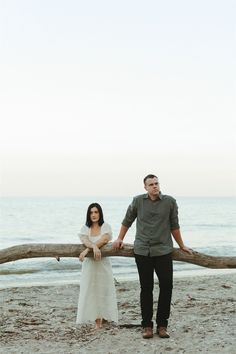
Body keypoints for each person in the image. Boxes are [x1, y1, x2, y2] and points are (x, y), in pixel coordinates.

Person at [112, 174, 192, 339]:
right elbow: (127, 221)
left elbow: (174, 226)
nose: (155, 186)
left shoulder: (170, 202)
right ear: (145, 187)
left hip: (163, 251)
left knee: (167, 287)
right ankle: (147, 326)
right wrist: (120, 238)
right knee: (146, 288)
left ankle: (162, 326)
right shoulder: (137, 201)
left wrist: (182, 245)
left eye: (156, 183)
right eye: (151, 184)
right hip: (143, 251)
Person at [76, 202, 118, 329]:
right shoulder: (85, 228)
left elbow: (104, 239)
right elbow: (84, 240)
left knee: (104, 289)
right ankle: (97, 319)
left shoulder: (105, 226)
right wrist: (93, 247)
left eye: (96, 212)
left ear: (100, 213)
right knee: (91, 290)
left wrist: (88, 249)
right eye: (91, 212)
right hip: (90, 265)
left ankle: (104, 317)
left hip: (102, 263)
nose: (94, 215)